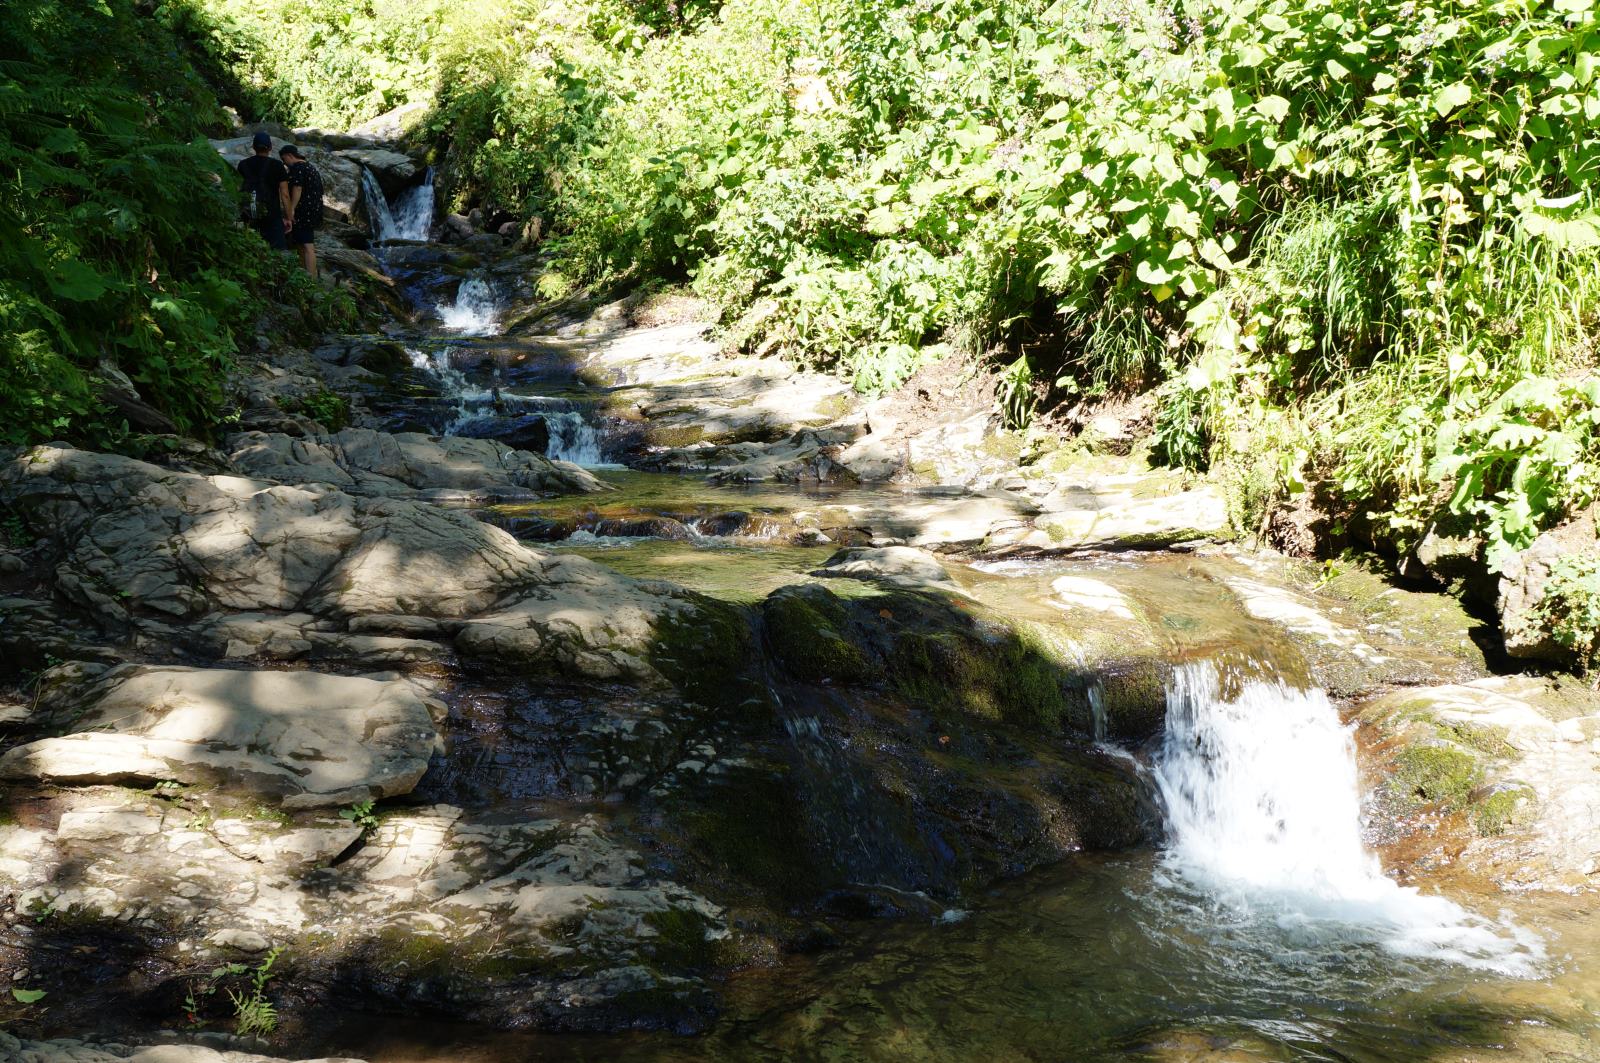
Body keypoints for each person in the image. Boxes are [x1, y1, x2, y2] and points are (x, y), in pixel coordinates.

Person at [236, 131, 290, 251]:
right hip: (272, 214)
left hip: (248, 212)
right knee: (278, 251)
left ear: (253, 147)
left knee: (249, 248)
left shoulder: (243, 164)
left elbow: (237, 188)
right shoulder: (277, 165)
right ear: (270, 147)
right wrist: (289, 217)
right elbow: (285, 195)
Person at [279, 145, 325, 276]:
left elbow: (297, 188)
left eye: (284, 159)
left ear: (289, 155)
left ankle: (311, 280)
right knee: (301, 242)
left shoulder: (298, 168)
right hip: (314, 210)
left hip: (304, 211)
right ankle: (306, 275)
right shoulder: (310, 167)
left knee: (306, 245)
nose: (284, 163)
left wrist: (291, 209)